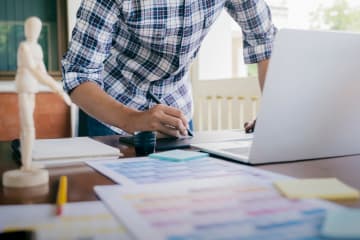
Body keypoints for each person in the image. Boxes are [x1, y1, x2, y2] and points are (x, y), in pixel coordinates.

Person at [62, 0, 277, 137]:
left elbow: (265, 41)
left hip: (177, 108)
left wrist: (272, 113)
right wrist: (133, 119)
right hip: (111, 111)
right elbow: (78, 73)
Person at [16, 17, 71, 171]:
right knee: (28, 127)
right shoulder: (24, 47)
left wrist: (59, 89)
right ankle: (26, 165)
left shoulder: (38, 48)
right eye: (30, 27)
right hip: (24, 86)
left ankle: (27, 163)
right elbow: (34, 71)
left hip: (32, 88)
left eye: (36, 28)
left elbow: (43, 73)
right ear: (26, 29)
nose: (33, 31)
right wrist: (57, 89)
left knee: (28, 127)